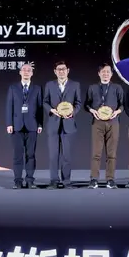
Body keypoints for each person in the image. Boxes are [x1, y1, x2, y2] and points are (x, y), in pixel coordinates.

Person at [42, 61, 82, 189]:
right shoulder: (49, 85)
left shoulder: (75, 85)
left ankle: (66, 181)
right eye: (59, 69)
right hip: (53, 124)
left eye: (63, 69)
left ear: (68, 70)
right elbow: (45, 102)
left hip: (68, 125)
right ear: (55, 71)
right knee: (53, 156)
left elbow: (78, 103)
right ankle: (54, 181)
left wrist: (72, 113)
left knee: (66, 156)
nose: (61, 71)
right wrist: (51, 110)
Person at [84, 63, 124, 189]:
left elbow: (122, 104)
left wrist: (117, 112)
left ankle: (110, 179)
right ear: (99, 73)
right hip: (97, 122)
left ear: (111, 74)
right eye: (103, 72)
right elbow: (86, 104)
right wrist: (92, 111)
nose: (105, 74)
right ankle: (94, 179)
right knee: (96, 153)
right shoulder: (92, 88)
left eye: (108, 72)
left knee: (111, 154)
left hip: (113, 122)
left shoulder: (117, 88)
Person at [6, 63, 44, 190]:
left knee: (31, 155)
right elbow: (9, 106)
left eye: (29, 70)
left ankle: (30, 180)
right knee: (17, 155)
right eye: (24, 70)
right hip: (16, 126)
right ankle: (17, 181)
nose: (26, 72)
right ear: (20, 72)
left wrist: (40, 124)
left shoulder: (37, 88)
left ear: (32, 73)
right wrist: (9, 123)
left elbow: (40, 108)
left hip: (32, 125)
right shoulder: (13, 88)